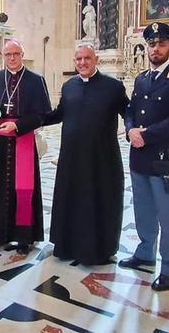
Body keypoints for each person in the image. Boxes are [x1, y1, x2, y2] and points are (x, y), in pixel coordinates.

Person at [119, 22, 169, 292]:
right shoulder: (142, 79)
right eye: (151, 44)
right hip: (139, 156)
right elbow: (131, 110)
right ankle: (144, 254)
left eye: (161, 44)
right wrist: (130, 130)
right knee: (143, 209)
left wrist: (146, 134)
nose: (155, 48)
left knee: (168, 215)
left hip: (163, 157)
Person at [44, 42, 129, 265]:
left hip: (101, 159)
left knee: (96, 203)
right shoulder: (69, 86)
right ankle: (67, 245)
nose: (82, 63)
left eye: (86, 58)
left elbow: (128, 113)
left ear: (96, 60)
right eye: (78, 59)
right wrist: (25, 122)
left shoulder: (113, 87)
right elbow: (58, 114)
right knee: (71, 201)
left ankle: (97, 250)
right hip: (71, 158)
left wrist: (136, 129)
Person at [0, 39, 51, 254]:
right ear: (3, 56)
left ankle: (24, 237)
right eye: (8, 54)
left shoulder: (36, 81)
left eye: (16, 53)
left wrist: (17, 126)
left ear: (22, 54)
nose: (12, 58)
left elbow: (42, 115)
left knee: (23, 189)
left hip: (23, 138)